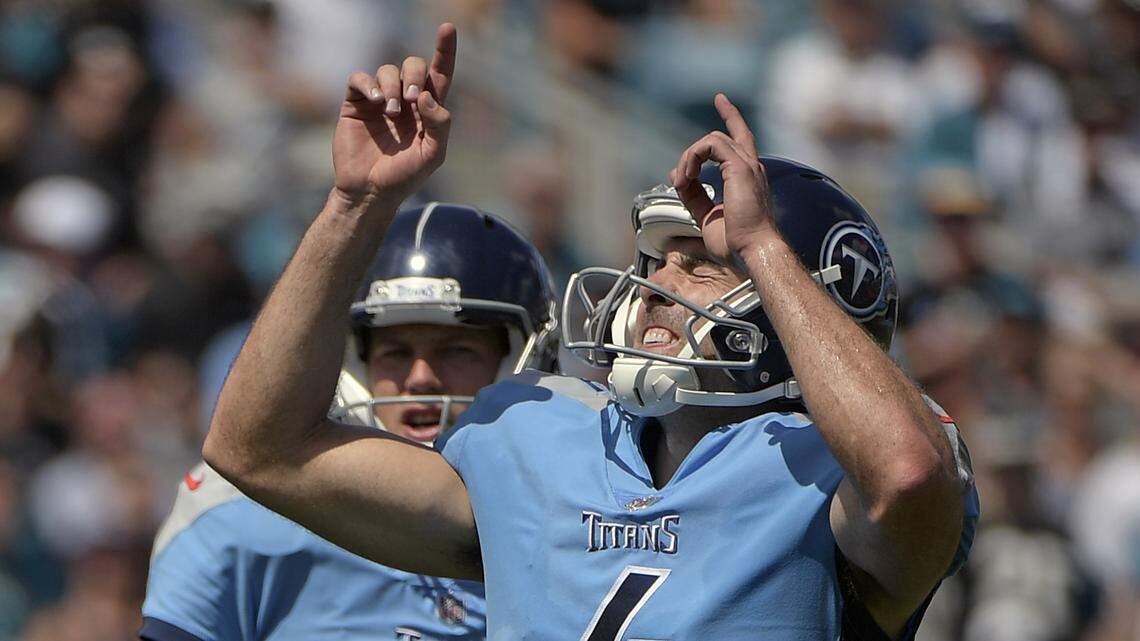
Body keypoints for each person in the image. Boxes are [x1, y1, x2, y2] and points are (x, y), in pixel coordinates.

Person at [203, 24, 979, 640]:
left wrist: (762, 247)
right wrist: (353, 205)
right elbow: (256, 447)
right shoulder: (540, 435)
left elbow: (907, 469)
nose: (660, 287)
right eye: (659, 260)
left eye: (705, 263)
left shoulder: (824, 476)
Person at [140, 201, 560, 641]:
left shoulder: (573, 509)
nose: (421, 379)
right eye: (395, 352)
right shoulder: (239, 502)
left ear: (520, 358)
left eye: (457, 350)